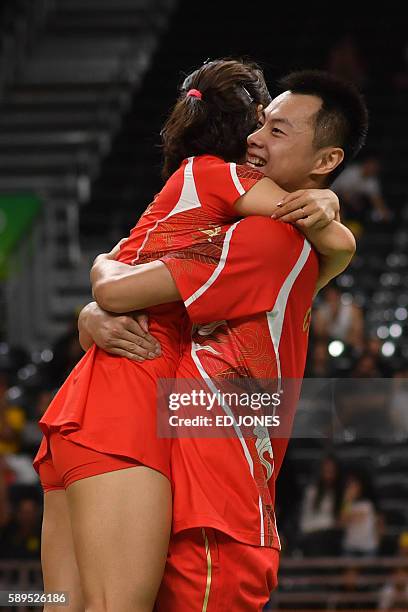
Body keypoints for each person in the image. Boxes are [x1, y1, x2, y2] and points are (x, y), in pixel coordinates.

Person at [33, 60, 349, 612]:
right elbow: (120, 289)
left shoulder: (212, 209)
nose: (258, 138)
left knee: (64, 604)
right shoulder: (260, 229)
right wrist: (333, 221)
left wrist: (98, 287)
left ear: (326, 159)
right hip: (131, 407)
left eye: (276, 129)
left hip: (87, 408)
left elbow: (124, 278)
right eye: (259, 123)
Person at [299, 454, 344, 556]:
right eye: (326, 471)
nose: (328, 475)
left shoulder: (339, 493)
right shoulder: (312, 492)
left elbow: (341, 521)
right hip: (313, 535)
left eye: (331, 472)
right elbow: (306, 523)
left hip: (329, 538)